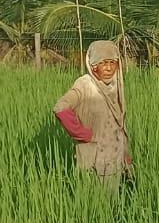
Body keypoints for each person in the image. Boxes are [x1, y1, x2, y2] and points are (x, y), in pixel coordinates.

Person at [53, 40, 132, 190]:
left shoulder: (115, 85)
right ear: (93, 66)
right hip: (95, 159)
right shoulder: (85, 85)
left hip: (115, 157)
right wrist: (82, 134)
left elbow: (119, 124)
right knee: (96, 199)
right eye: (103, 63)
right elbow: (60, 108)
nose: (109, 68)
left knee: (113, 199)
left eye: (112, 62)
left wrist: (125, 154)